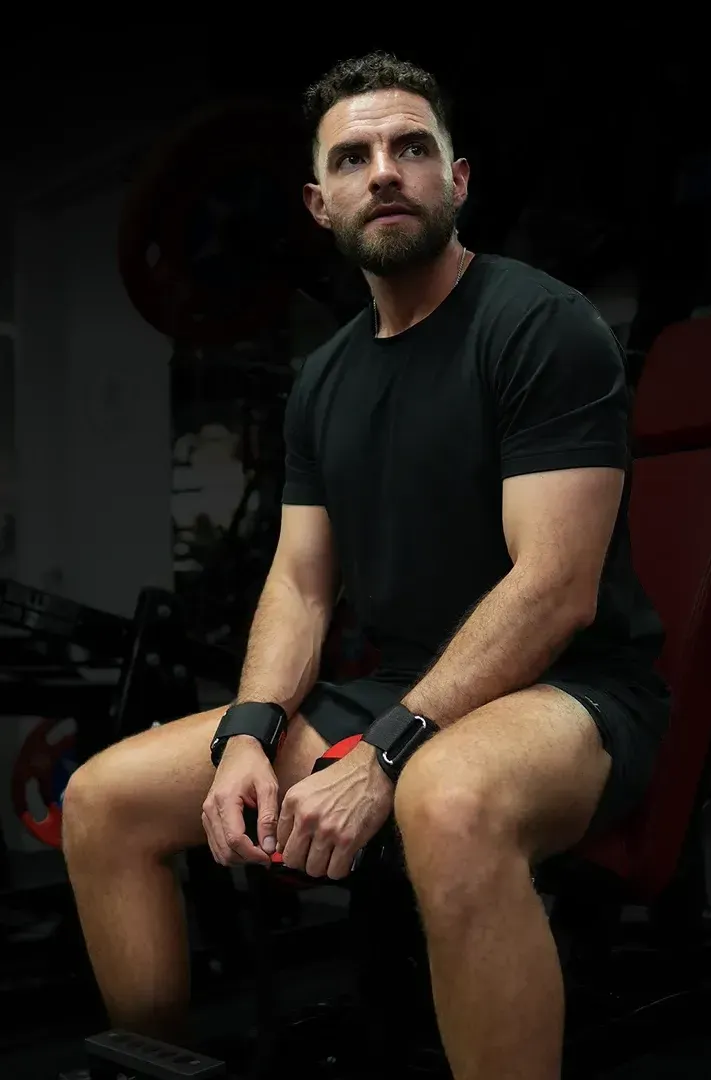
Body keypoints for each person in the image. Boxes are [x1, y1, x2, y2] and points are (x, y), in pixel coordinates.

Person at [63, 50, 670, 1080]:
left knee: (447, 798)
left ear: (457, 179)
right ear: (318, 200)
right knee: (101, 801)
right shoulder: (324, 380)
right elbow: (301, 583)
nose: (383, 171)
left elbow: (553, 588)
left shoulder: (540, 325)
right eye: (353, 156)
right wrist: (249, 733)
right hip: (395, 700)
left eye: (409, 148)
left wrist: (382, 755)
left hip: (572, 696)